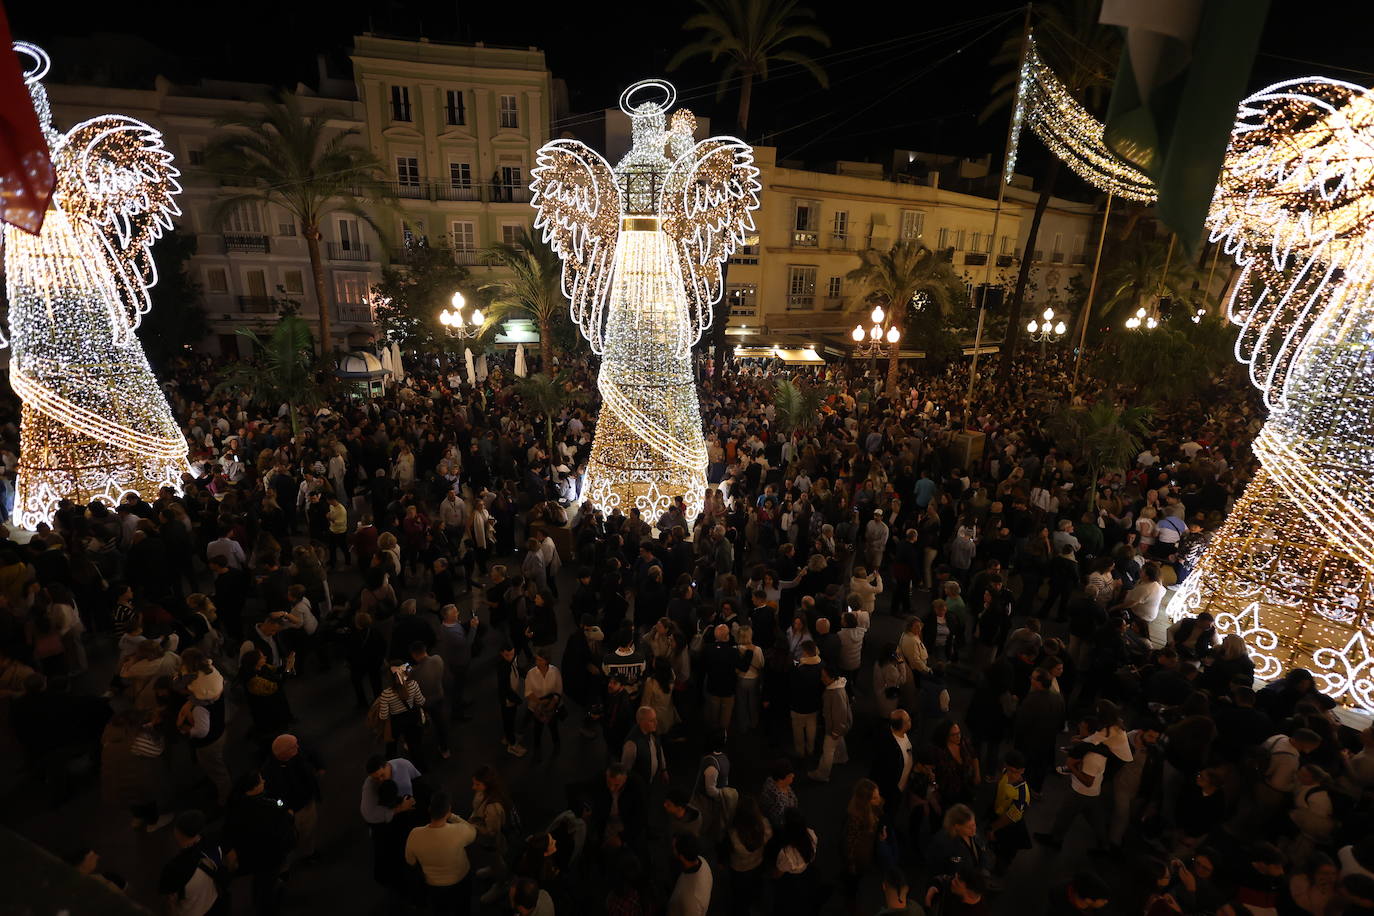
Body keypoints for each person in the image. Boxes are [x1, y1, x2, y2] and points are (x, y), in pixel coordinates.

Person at [405, 790, 478, 916]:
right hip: (461, 879)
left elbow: (410, 860)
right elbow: (473, 832)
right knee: (463, 908)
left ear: (429, 809)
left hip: (434, 885)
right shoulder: (459, 831)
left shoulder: (414, 834)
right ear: (448, 810)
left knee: (440, 911)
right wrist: (453, 816)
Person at [158, 810, 226, 916]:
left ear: (178, 832)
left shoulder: (174, 868)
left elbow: (169, 900)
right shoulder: (213, 845)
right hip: (214, 903)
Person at [841, 778, 885, 915]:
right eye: (875, 798)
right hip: (859, 855)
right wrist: (851, 864)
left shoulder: (871, 808)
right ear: (866, 801)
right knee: (853, 881)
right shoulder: (856, 818)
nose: (880, 799)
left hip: (867, 849)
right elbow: (849, 844)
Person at [986, 751, 1032, 876]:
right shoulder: (1005, 772)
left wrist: (993, 829)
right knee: (996, 848)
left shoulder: (1022, 794)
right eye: (1008, 769)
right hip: (997, 815)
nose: (1010, 774)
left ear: (1022, 770)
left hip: (1009, 828)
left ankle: (998, 876)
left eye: (1014, 771)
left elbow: (1010, 818)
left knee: (1004, 855)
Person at [726, 796, 772, 916]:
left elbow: (727, 850)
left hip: (739, 869)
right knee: (756, 886)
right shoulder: (765, 825)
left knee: (739, 894)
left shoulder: (733, 834)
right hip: (758, 863)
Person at [809, 665, 852, 783]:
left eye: (824, 676)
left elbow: (840, 716)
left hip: (834, 727)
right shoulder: (836, 687)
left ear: (832, 677)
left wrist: (835, 731)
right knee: (839, 740)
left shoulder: (835, 693)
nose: (822, 678)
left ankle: (822, 774)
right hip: (839, 726)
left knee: (827, 750)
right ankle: (842, 757)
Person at [524, 647, 563, 762]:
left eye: (540, 660)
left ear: (547, 661)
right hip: (537, 708)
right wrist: (541, 703)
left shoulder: (555, 671)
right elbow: (528, 692)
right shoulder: (531, 673)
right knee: (537, 729)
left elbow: (559, 688)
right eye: (537, 659)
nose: (537, 662)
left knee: (553, 727)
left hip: (551, 706)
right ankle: (537, 747)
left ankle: (556, 743)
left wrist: (552, 703)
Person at [668, 833, 713, 916]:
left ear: (681, 857)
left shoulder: (691, 900)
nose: (672, 849)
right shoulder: (703, 862)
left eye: (674, 848)